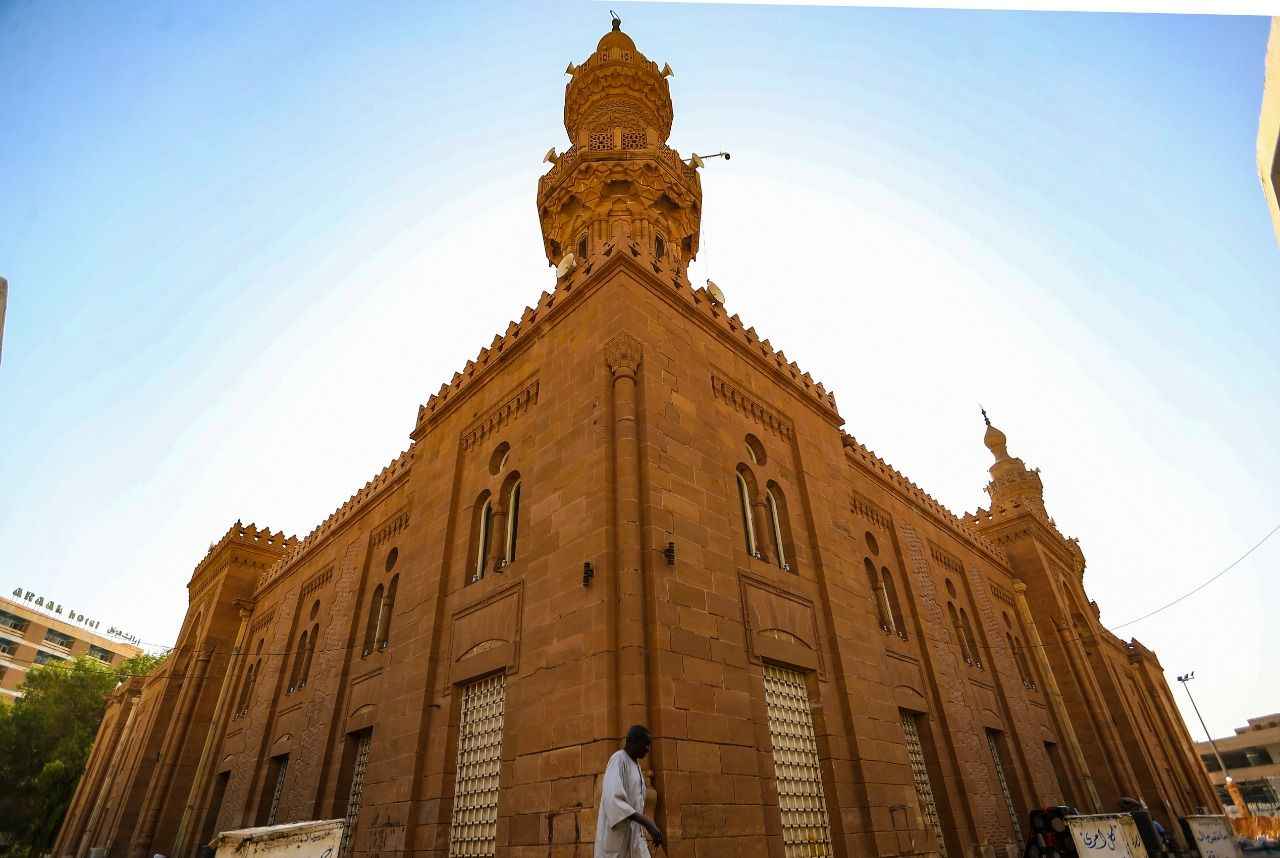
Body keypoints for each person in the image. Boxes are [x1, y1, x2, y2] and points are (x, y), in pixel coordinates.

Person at [595, 725, 665, 858]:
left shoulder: (636, 765)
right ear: (631, 741)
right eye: (645, 744)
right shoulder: (618, 759)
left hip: (635, 837)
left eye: (649, 745)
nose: (648, 749)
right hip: (617, 839)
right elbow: (613, 800)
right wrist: (647, 822)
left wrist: (646, 825)